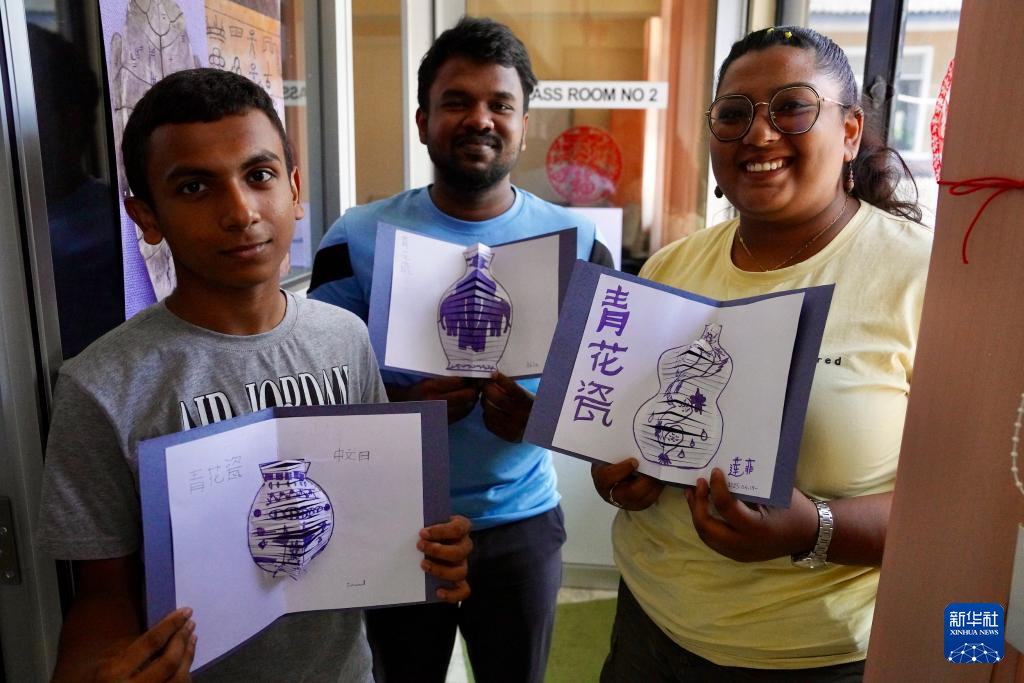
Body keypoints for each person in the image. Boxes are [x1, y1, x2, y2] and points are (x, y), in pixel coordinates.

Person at [35, 68, 472, 682]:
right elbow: (103, 592)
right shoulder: (100, 386)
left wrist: (427, 547)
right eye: (194, 187)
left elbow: (370, 517)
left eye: (259, 175)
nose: (240, 212)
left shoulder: (344, 337)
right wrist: (90, 670)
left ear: (294, 188)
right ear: (146, 216)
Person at [592, 26, 931, 682]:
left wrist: (814, 528)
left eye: (792, 107)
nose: (759, 133)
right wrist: (621, 477)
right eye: (733, 114)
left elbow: (968, 508)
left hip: (814, 655)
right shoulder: (669, 267)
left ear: (851, 131)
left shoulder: (925, 279)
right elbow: (628, 432)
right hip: (649, 626)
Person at [309, 16, 614, 683]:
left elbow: (608, 399)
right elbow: (317, 390)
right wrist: (402, 407)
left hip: (522, 521)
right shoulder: (356, 236)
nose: (480, 118)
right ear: (424, 121)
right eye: (457, 102)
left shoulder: (579, 241)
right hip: (395, 520)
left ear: (523, 124)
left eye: (500, 104)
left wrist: (541, 417)